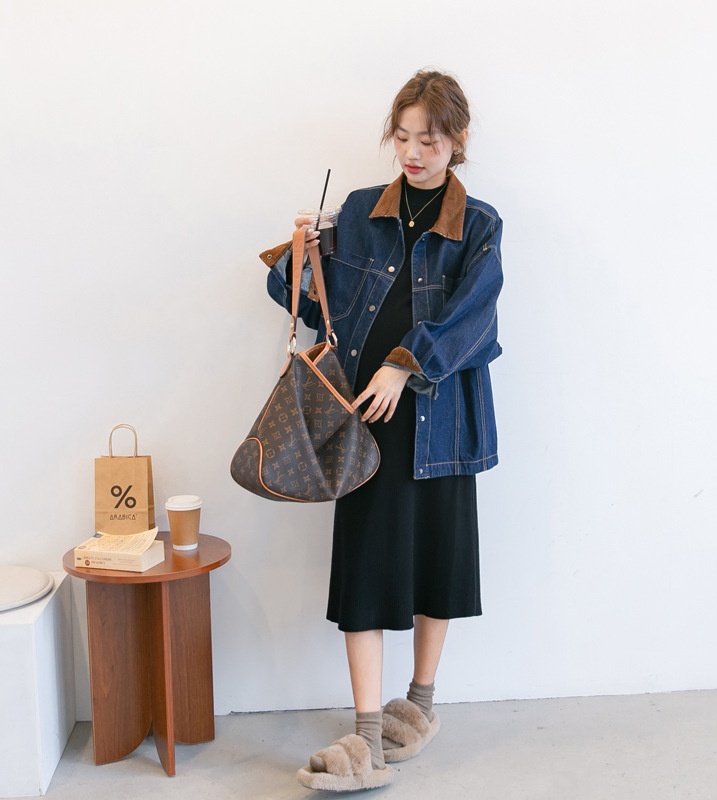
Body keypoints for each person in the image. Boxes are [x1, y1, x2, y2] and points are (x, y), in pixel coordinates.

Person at [260, 69, 503, 792]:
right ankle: (367, 734)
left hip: (440, 422)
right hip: (365, 422)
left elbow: (475, 321)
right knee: (365, 571)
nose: (413, 153)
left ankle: (419, 706)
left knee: (438, 565)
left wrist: (403, 365)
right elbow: (303, 303)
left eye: (429, 139)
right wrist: (300, 252)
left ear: (457, 140)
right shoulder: (362, 211)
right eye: (402, 137)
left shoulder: (479, 224)